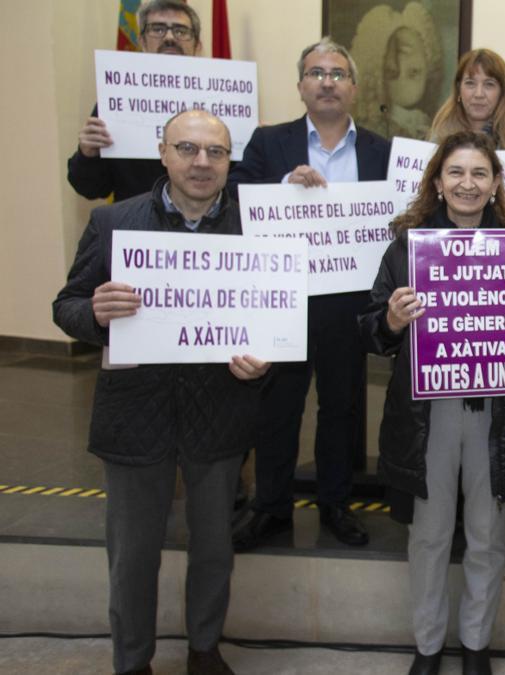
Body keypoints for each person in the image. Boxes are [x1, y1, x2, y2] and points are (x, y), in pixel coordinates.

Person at [53, 109, 270, 675]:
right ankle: (133, 661)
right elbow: (66, 306)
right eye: (188, 149)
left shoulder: (257, 228)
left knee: (214, 551)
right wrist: (96, 315)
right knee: (131, 555)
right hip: (134, 414)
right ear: (163, 153)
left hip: (219, 412)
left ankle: (204, 648)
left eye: (216, 152)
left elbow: (276, 320)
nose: (202, 163)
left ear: (230, 161)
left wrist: (263, 361)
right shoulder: (114, 224)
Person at [358, 131, 505, 675]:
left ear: (494, 185)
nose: (468, 183)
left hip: (497, 413)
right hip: (428, 414)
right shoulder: (407, 246)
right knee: (430, 534)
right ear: (438, 182)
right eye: (456, 173)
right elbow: (371, 329)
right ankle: (428, 646)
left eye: (480, 174)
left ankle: (477, 645)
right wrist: (392, 319)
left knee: (488, 536)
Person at [228, 37, 390, 551]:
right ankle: (271, 506)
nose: (327, 82)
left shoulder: (381, 151)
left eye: (338, 74)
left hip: (349, 300)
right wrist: (282, 185)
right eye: (317, 73)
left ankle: (336, 505)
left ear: (355, 89)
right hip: (283, 296)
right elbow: (235, 199)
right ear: (300, 85)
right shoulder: (267, 142)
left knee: (341, 409)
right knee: (278, 407)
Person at [67, 0, 204, 202]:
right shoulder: (117, 100)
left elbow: (240, 183)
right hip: (136, 227)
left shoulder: (224, 102)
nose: (169, 37)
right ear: (141, 41)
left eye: (180, 31)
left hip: (209, 228)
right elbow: (90, 187)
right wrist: (88, 154)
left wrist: (254, 141)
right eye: (157, 29)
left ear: (197, 45)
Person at [350, 2, 443, 139]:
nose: (403, 83)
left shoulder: (428, 125)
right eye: (392, 73)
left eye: (414, 73)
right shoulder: (368, 130)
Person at [428, 49, 505, 149]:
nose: (479, 94)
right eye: (470, 83)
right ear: (458, 89)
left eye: (489, 84)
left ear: (502, 93)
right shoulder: (438, 141)